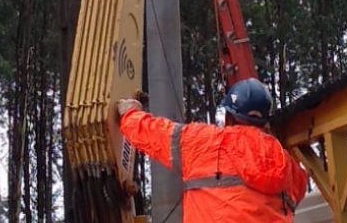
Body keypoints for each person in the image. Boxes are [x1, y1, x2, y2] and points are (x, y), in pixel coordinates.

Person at [118, 78, 308, 223]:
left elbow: (154, 134)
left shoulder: (204, 143)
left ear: (228, 118)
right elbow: (298, 190)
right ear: (265, 124)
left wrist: (129, 114)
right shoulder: (288, 167)